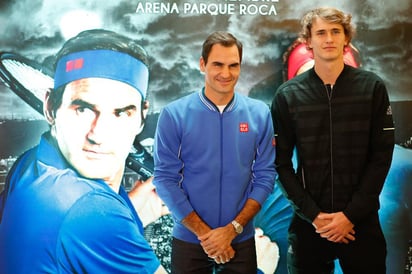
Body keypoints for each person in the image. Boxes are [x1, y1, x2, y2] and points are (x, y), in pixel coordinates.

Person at [0, 29, 167, 274]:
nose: (98, 135)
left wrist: (128, 212)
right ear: (50, 108)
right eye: (83, 109)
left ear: (142, 117)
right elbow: (87, 220)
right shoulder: (94, 213)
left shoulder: (28, 164)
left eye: (121, 113)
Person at [271, 7, 395, 274]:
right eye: (321, 32)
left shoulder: (372, 88)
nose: (328, 38)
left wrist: (350, 216)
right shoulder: (287, 95)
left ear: (346, 39)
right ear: (309, 41)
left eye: (335, 32)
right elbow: (279, 164)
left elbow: (381, 158)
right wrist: (314, 216)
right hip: (309, 224)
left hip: (361, 223)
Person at [153, 31, 276, 273]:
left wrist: (233, 229)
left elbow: (265, 176)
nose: (226, 73)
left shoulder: (259, 114)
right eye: (217, 64)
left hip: (240, 240)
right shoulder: (174, 114)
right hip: (190, 240)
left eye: (233, 65)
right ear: (202, 64)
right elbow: (165, 179)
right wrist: (206, 235)